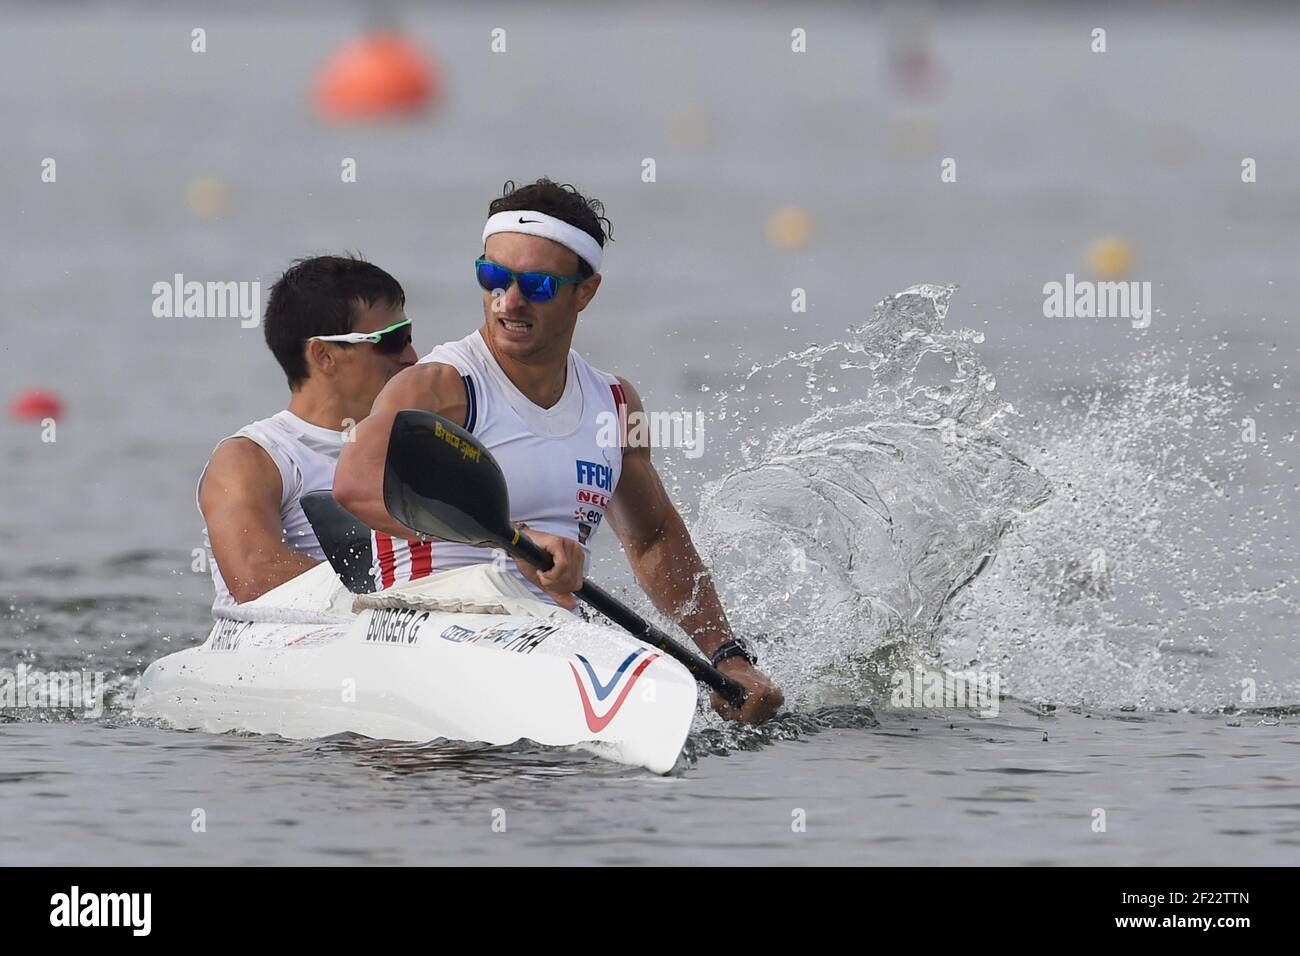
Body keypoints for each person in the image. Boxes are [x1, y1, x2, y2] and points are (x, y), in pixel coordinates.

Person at [334, 179, 783, 723]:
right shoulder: (439, 386)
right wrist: (520, 542)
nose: (509, 301)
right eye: (493, 277)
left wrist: (727, 658)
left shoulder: (616, 405)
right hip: (430, 618)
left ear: (585, 292)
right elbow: (354, 486)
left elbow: (654, 538)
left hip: (549, 636)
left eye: (538, 285)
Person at [198, 255, 416, 614]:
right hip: (274, 653)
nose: (411, 356)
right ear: (324, 355)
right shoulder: (252, 459)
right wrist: (384, 605)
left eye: (408, 337)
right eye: (390, 341)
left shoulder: (420, 448)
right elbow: (254, 576)